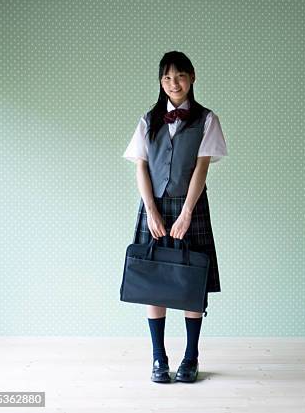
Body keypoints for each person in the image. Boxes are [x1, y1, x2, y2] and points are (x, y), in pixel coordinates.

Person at [122, 51, 227, 383]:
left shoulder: (206, 120)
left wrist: (185, 214)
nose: (174, 83)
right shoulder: (147, 120)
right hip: (153, 208)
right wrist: (151, 211)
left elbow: (201, 170)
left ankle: (191, 357)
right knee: (154, 281)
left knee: (191, 281)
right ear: (160, 82)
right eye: (167, 78)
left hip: (190, 208)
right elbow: (141, 166)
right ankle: (158, 358)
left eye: (180, 76)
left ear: (192, 77)